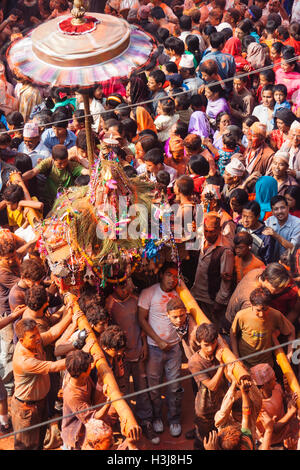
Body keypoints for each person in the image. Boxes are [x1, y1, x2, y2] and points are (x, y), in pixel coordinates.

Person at [105, 278, 155, 443]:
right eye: (121, 287)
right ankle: (125, 423)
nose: (124, 291)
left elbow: (142, 325)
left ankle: (146, 421)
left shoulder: (135, 299)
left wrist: (145, 346)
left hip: (138, 351)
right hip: (121, 356)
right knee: (122, 388)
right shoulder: (110, 303)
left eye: (126, 286)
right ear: (114, 287)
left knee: (142, 387)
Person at [138, 262, 184, 438]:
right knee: (154, 387)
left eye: (175, 275)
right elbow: (141, 319)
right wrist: (157, 340)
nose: (172, 279)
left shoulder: (180, 294)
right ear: (161, 275)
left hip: (174, 349)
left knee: (174, 386)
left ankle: (174, 419)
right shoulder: (149, 293)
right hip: (154, 348)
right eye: (169, 274)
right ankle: (157, 417)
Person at [11, 318, 67, 450]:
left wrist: (71, 314)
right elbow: (53, 366)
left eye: (37, 334)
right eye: (33, 336)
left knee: (39, 442)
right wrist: (78, 359)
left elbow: (53, 333)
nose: (38, 338)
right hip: (26, 411)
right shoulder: (24, 360)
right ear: (21, 340)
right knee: (26, 447)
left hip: (40, 403)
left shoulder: (33, 343)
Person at [230, 286, 295, 368]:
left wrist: (289, 352)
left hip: (266, 365)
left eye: (265, 309)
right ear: (251, 304)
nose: (261, 314)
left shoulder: (275, 315)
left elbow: (291, 330)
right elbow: (233, 334)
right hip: (245, 363)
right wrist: (236, 356)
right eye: (258, 310)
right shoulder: (242, 316)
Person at [61, 349, 113, 450]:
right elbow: (94, 418)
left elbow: (94, 396)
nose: (92, 366)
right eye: (89, 366)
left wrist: (99, 381)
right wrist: (109, 403)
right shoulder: (72, 395)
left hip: (83, 428)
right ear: (83, 373)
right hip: (75, 436)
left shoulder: (81, 377)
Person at [188, 322, 227, 449]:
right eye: (206, 345)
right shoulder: (194, 362)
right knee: (203, 440)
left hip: (221, 404)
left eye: (213, 343)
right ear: (199, 343)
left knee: (220, 437)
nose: (210, 348)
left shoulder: (219, 351)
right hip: (205, 408)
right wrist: (221, 365)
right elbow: (212, 386)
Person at [191, 212, 234, 326]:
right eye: (206, 231)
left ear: (219, 229)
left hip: (211, 299)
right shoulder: (202, 239)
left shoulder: (225, 249)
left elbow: (226, 281)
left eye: (211, 232)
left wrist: (219, 302)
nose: (208, 235)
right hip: (196, 293)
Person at [22, 144, 86, 214]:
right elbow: (33, 172)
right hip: (49, 201)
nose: (63, 165)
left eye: (65, 162)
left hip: (66, 203)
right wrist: (21, 178)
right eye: (60, 163)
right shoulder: (48, 163)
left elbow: (84, 171)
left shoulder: (71, 165)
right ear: (53, 159)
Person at [250, 363, 298, 446]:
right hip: (273, 443)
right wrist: (290, 413)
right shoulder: (257, 406)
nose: (276, 379)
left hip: (286, 434)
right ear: (264, 385)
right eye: (272, 379)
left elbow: (284, 399)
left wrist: (288, 392)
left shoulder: (277, 387)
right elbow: (273, 428)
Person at [237, 201, 276, 265]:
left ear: (258, 216)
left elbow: (267, 262)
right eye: (243, 216)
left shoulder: (266, 236)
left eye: (249, 217)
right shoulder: (240, 227)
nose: (245, 220)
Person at [263, 195, 300, 261]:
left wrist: (275, 235)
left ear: (288, 208)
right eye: (276, 209)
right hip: (272, 264)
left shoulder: (297, 224)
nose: (280, 211)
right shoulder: (269, 221)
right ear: (272, 211)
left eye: (282, 208)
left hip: (289, 264)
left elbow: (293, 249)